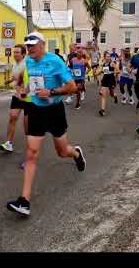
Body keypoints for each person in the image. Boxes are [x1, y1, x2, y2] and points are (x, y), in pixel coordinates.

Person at [6, 32, 86, 217]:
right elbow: (31, 83)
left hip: (54, 111)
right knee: (31, 154)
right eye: (27, 45)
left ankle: (76, 153)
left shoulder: (55, 61)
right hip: (36, 110)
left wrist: (51, 91)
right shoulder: (28, 62)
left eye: (33, 45)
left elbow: (73, 87)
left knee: (62, 151)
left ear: (42, 45)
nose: (29, 48)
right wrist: (25, 91)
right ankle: (24, 201)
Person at [0, 44, 30, 153]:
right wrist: (9, 81)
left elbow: (24, 77)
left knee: (27, 125)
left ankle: (31, 147)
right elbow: (15, 76)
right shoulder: (15, 64)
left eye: (17, 52)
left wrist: (20, 84)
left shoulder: (27, 64)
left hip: (27, 97)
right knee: (12, 117)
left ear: (23, 54)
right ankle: (8, 143)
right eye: (14, 52)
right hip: (17, 95)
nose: (15, 54)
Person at [96, 51, 119, 116]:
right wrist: (99, 72)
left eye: (109, 56)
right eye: (107, 56)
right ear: (105, 57)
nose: (108, 58)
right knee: (103, 95)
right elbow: (101, 72)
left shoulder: (112, 64)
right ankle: (102, 110)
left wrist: (112, 73)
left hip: (111, 80)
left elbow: (118, 71)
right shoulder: (103, 64)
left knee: (111, 94)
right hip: (105, 80)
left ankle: (115, 96)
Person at [71, 44, 90, 110]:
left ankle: (77, 103)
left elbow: (89, 68)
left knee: (77, 89)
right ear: (76, 53)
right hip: (74, 78)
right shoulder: (73, 60)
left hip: (81, 78)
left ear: (82, 54)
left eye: (80, 53)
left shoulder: (84, 61)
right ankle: (82, 91)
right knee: (74, 90)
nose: (79, 54)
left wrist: (86, 73)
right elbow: (71, 67)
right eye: (78, 52)